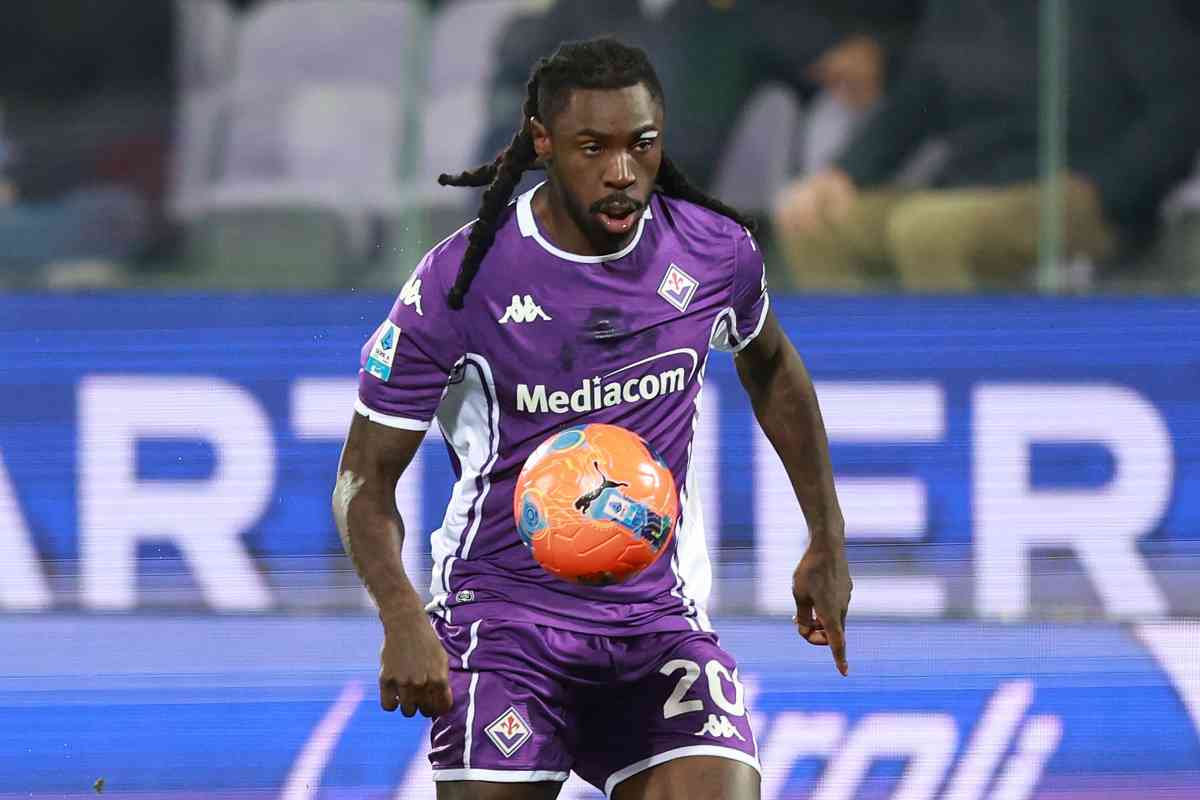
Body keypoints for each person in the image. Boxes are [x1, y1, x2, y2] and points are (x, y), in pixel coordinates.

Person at [333, 38, 851, 799]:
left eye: (642, 144)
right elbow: (362, 481)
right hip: (504, 625)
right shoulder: (462, 282)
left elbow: (770, 365)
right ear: (542, 143)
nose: (621, 171)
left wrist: (826, 537)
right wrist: (403, 616)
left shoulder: (713, 251)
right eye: (592, 147)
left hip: (655, 624)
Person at [773, 0, 1200, 292]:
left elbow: (1179, 110)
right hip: (970, 185)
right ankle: (865, 385)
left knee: (927, 230)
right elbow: (919, 98)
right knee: (812, 222)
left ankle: (956, 389)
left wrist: (1108, 189)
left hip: (1080, 193)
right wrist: (841, 174)